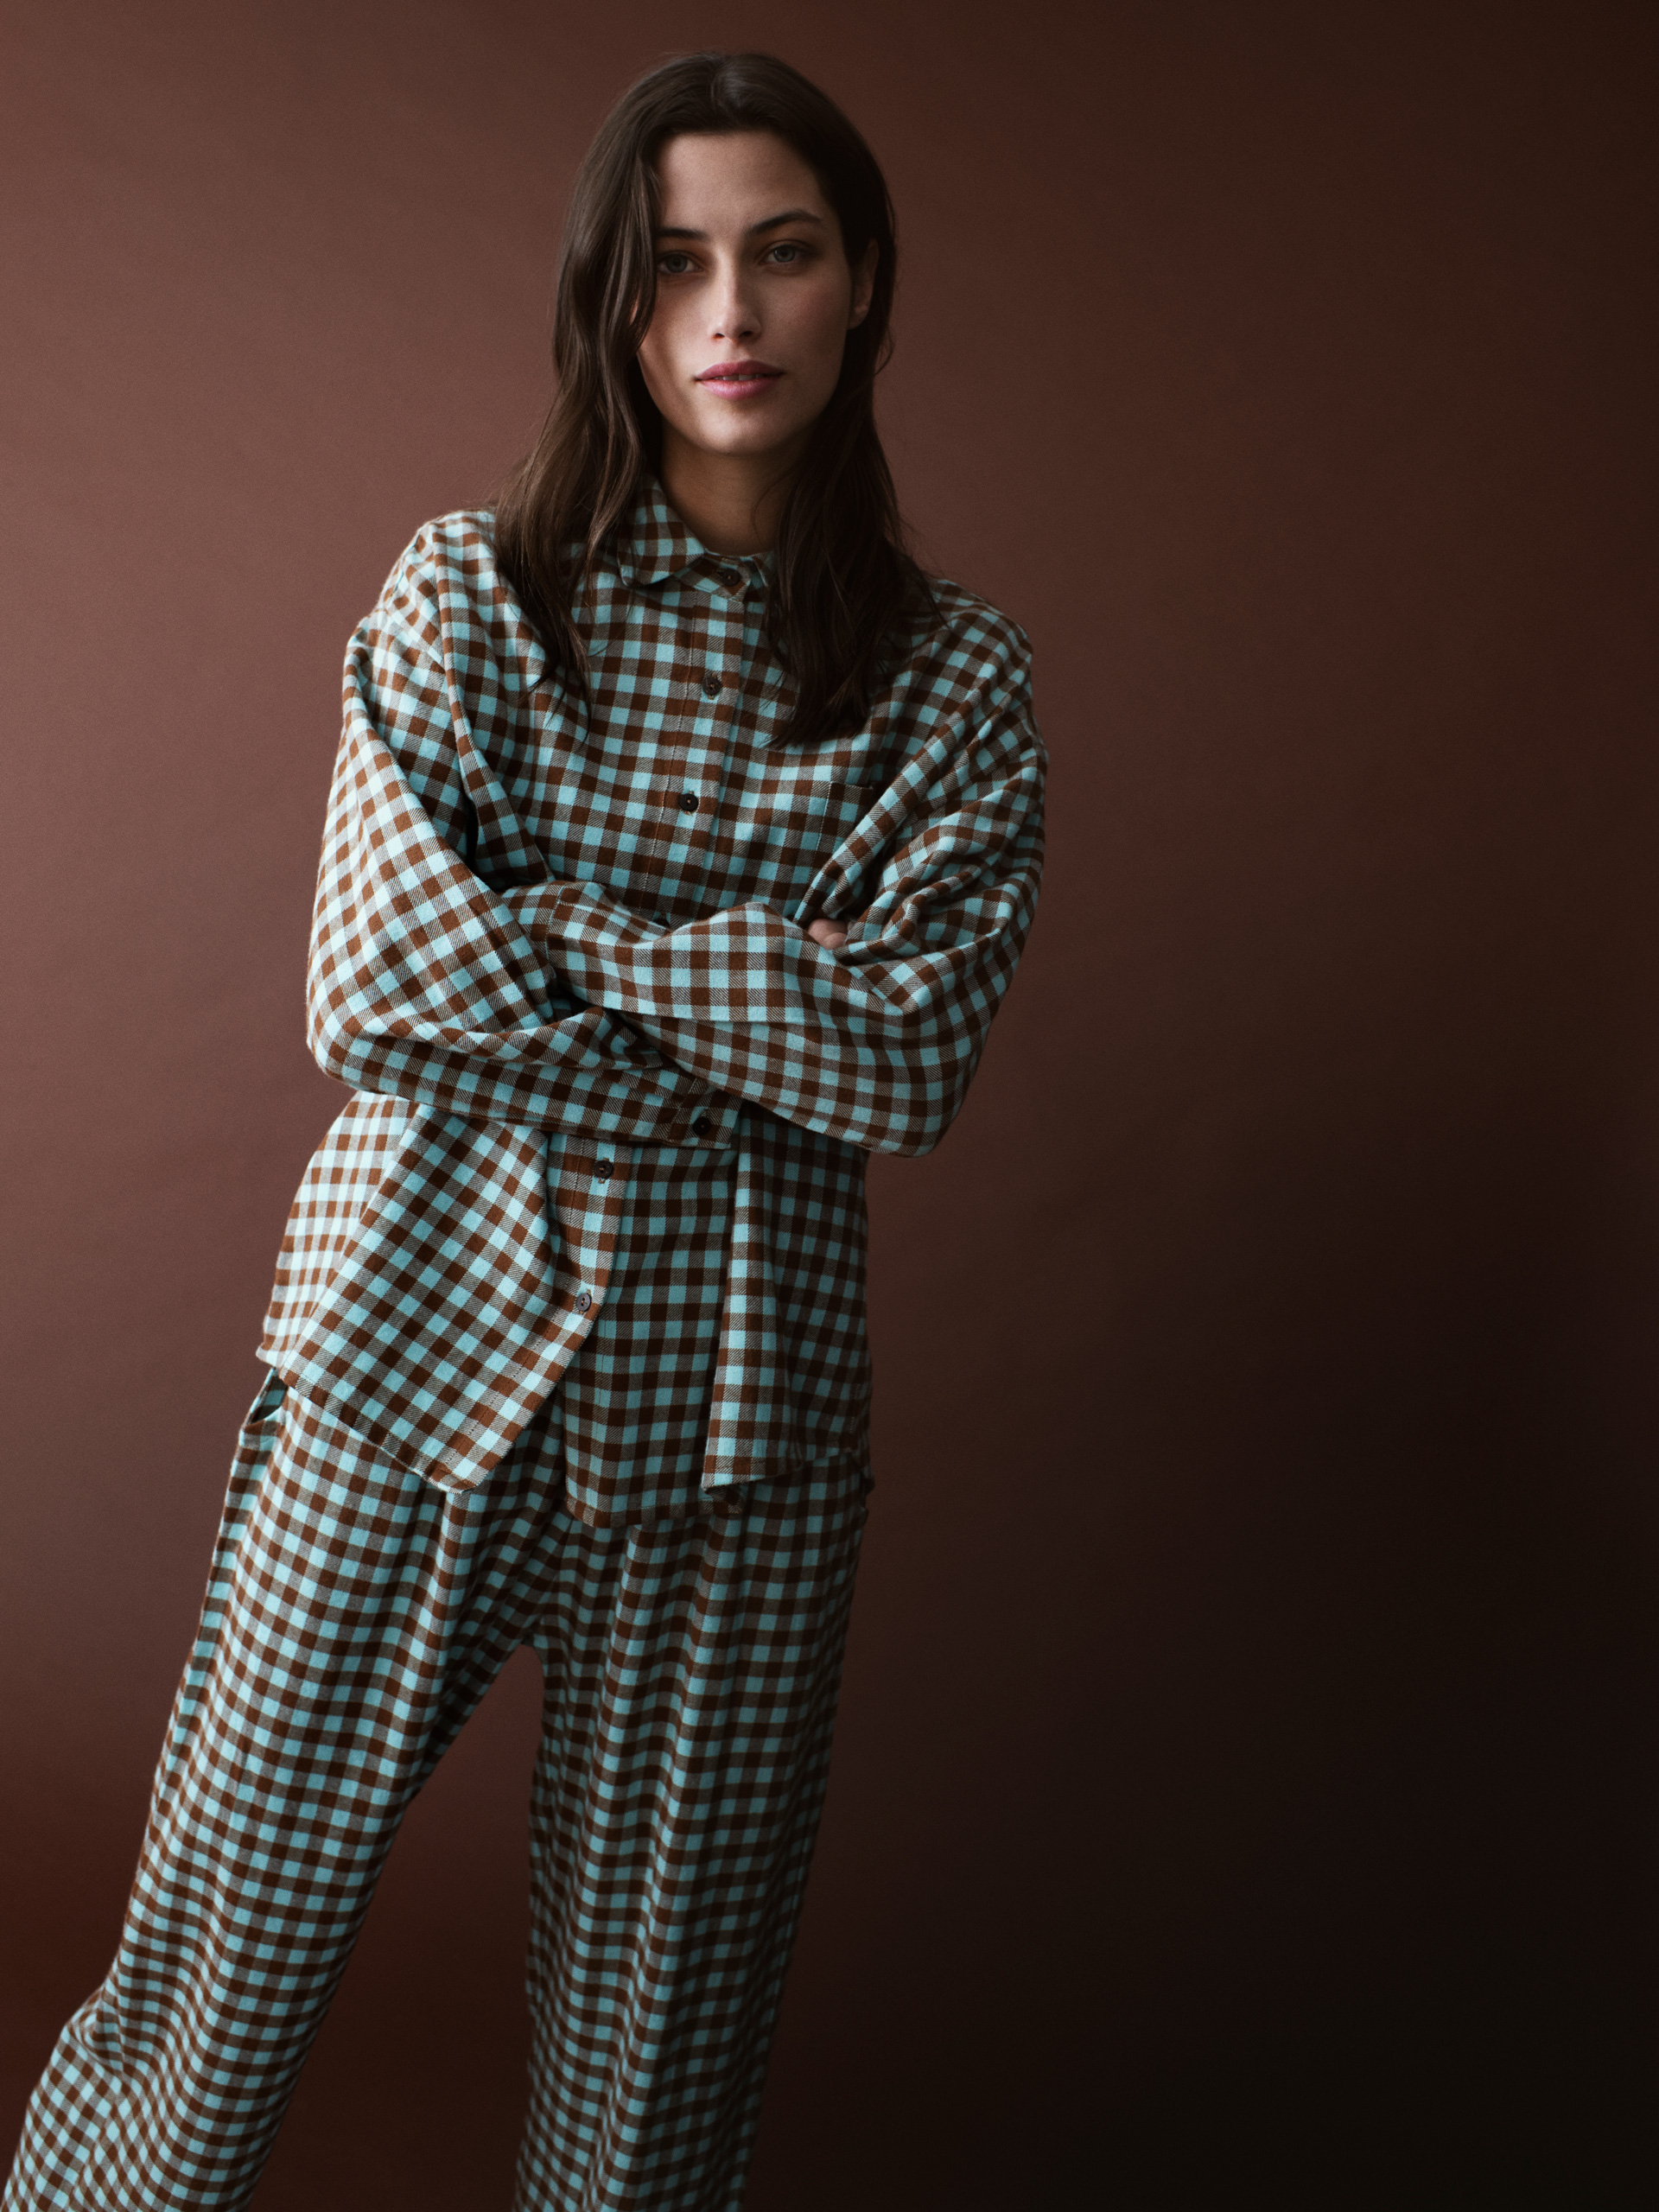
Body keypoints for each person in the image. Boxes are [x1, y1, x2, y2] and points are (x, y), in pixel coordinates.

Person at [4, 48, 1046, 2212]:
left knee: (653, 2096)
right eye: (673, 261)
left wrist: (560, 926)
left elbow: (906, 1060)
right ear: (608, 296)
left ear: (865, 282)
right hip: (404, 1356)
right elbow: (374, 989)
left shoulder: (956, 687)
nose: (729, 310)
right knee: (203, 2008)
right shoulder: (468, 598)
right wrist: (756, 995)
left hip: (741, 1424)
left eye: (784, 251)